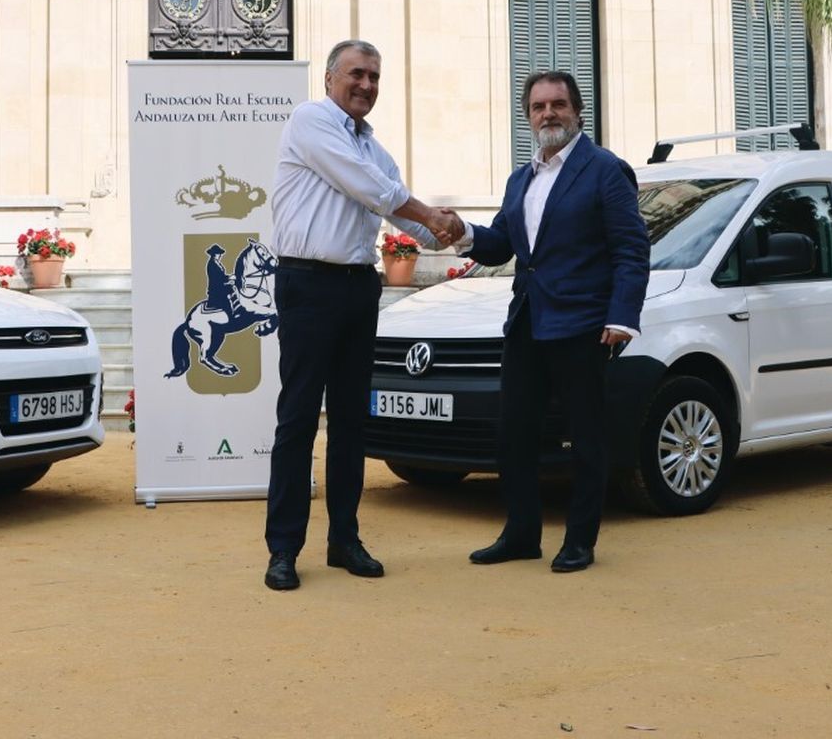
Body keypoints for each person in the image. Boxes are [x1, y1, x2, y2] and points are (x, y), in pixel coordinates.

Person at [263, 39, 463, 591]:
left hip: (357, 287)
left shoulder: (375, 149)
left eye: (374, 77)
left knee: (352, 421)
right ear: (330, 78)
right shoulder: (310, 120)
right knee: (298, 418)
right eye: (356, 74)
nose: (366, 85)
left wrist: (470, 235)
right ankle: (283, 549)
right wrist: (428, 214)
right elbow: (371, 188)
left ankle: (344, 540)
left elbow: (415, 222)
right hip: (307, 283)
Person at [455, 70, 650, 573]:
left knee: (585, 437)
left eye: (558, 104)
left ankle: (580, 541)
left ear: (577, 111)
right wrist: (460, 232)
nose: (548, 114)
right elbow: (502, 244)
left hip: (584, 324)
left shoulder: (605, 169)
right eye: (538, 107)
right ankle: (521, 534)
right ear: (528, 116)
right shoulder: (520, 179)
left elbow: (631, 249)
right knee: (514, 434)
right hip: (527, 322)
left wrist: (622, 316)